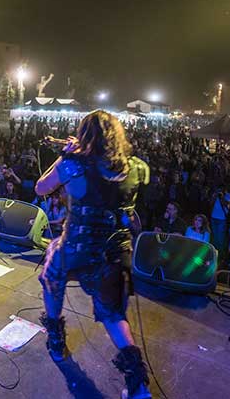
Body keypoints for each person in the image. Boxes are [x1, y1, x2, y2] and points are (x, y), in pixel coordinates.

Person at [35, 110, 152, 399]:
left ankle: (55, 339)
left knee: (50, 277)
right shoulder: (138, 168)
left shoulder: (72, 164)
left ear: (85, 136)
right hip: (116, 253)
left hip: (77, 248)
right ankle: (138, 387)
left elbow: (41, 188)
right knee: (114, 316)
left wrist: (64, 154)